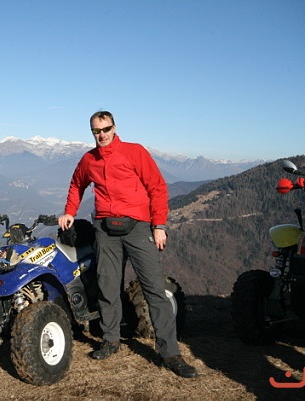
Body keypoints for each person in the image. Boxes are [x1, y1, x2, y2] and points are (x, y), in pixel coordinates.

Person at [58, 111, 198, 378]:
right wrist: (69, 211)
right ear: (92, 132)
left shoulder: (135, 152)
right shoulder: (89, 159)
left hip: (138, 228)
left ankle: (170, 353)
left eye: (106, 129)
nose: (101, 135)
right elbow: (77, 184)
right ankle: (111, 340)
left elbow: (157, 187)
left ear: (114, 127)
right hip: (105, 229)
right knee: (107, 286)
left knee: (154, 289)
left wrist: (159, 225)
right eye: (96, 131)